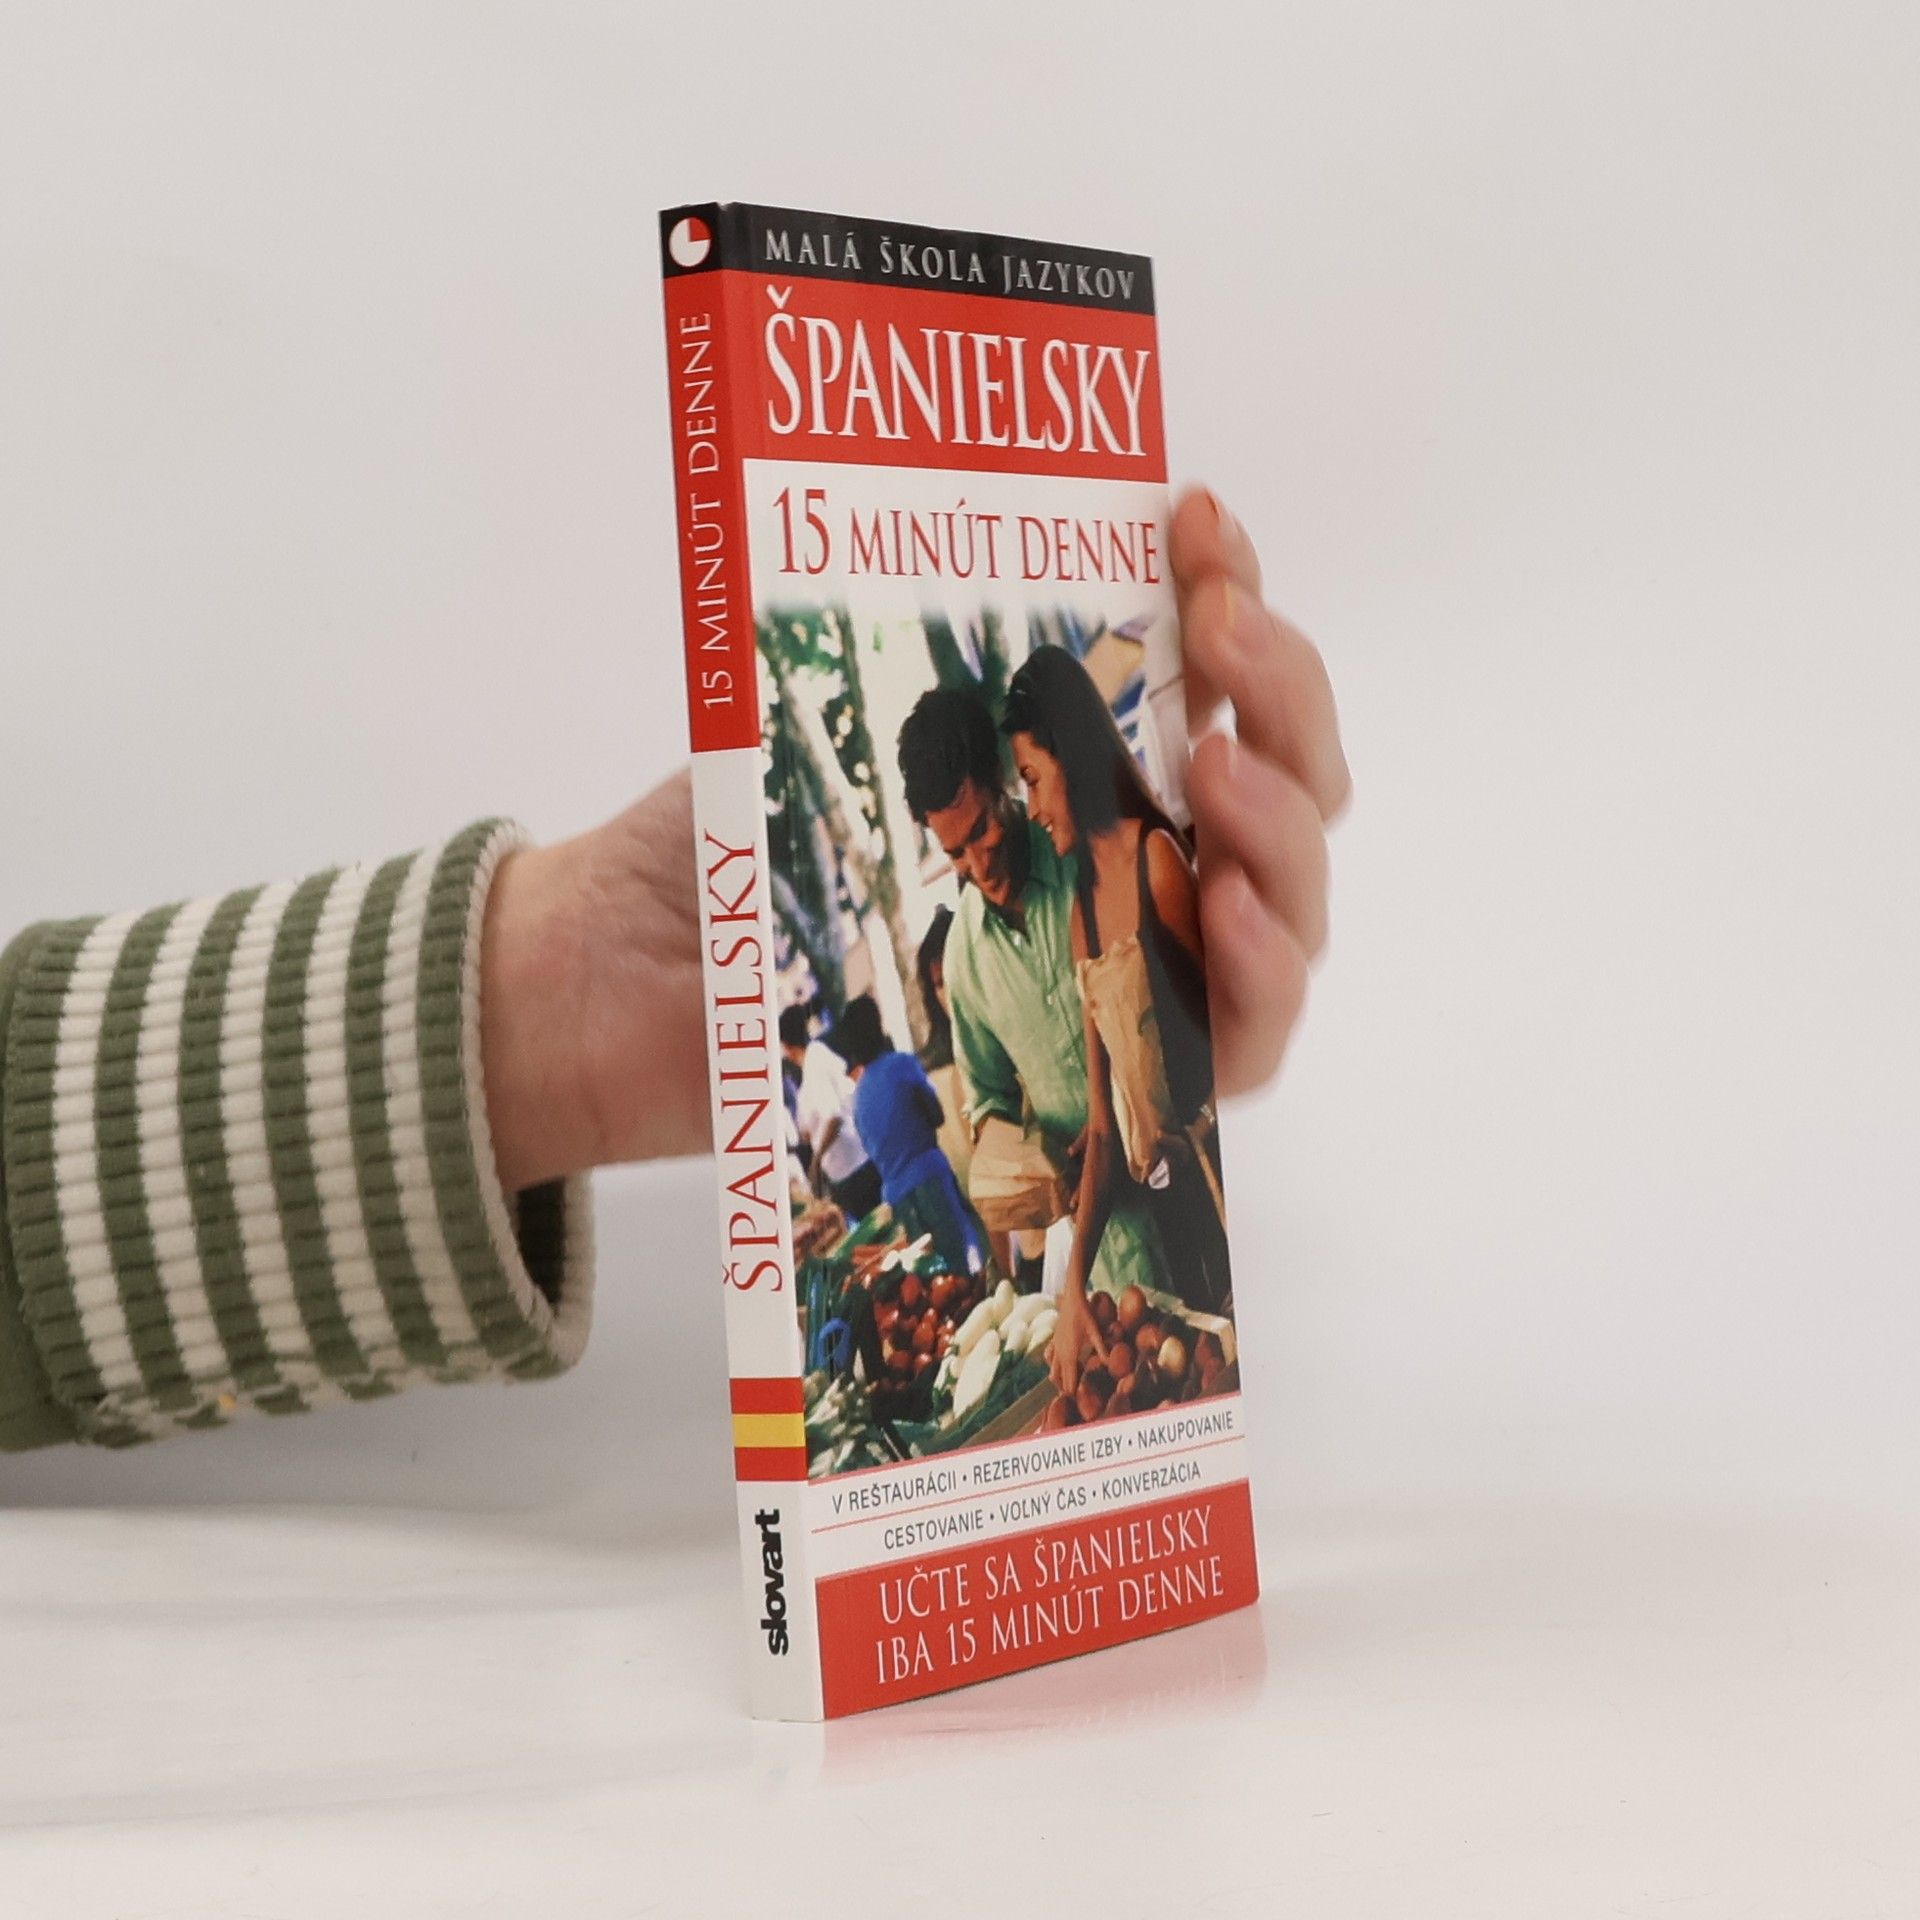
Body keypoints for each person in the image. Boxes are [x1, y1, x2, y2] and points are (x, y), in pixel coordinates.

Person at [0, 487, 1347, 1453]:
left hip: (1167, 1221)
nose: (986, 862)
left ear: (1011, 788)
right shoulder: (962, 967)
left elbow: (1122, 1067)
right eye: (958, 852)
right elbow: (994, 1120)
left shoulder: (1095, 869)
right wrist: (1026, 1260)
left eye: (994, 830)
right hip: (1082, 1254)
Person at [1002, 645, 1231, 1387]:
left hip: (1232, 1197)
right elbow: (1103, 1128)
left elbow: (1237, 1042)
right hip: (1178, 1221)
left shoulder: (1158, 862)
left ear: (1072, 756)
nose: (1032, 808)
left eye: (1033, 778)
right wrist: (1073, 1286)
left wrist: (1199, 1128)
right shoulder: (1083, 918)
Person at [833, 995, 983, 1281]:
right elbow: (936, 1114)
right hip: (930, 1178)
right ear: (878, 1027)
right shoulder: (901, 1064)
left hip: (898, 1199)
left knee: (931, 1280)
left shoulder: (859, 1096)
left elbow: (870, 1148)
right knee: (964, 1265)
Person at [779, 1004, 882, 1222]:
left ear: (785, 1046)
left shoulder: (815, 1062)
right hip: (848, 1168)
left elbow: (833, 1117)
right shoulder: (811, 1068)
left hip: (854, 1169)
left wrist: (816, 1161)